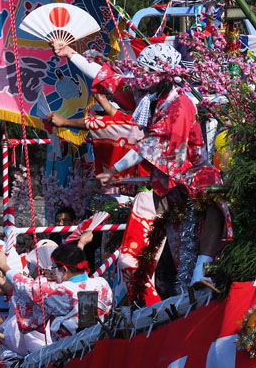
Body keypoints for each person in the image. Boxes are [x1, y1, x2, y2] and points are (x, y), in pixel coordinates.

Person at [51, 41, 226, 304]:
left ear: (160, 75)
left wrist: (113, 170)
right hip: (164, 186)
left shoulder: (178, 105)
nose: (139, 77)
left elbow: (154, 147)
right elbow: (108, 78)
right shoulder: (148, 95)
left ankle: (204, 269)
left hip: (190, 180)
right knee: (141, 258)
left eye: (145, 71)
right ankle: (163, 301)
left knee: (198, 230)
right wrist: (70, 54)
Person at [0, 243, 112, 343]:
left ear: (64, 270)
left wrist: (4, 267)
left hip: (70, 351)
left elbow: (27, 287)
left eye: (55, 268)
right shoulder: (102, 284)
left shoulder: (60, 292)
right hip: (99, 342)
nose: (52, 272)